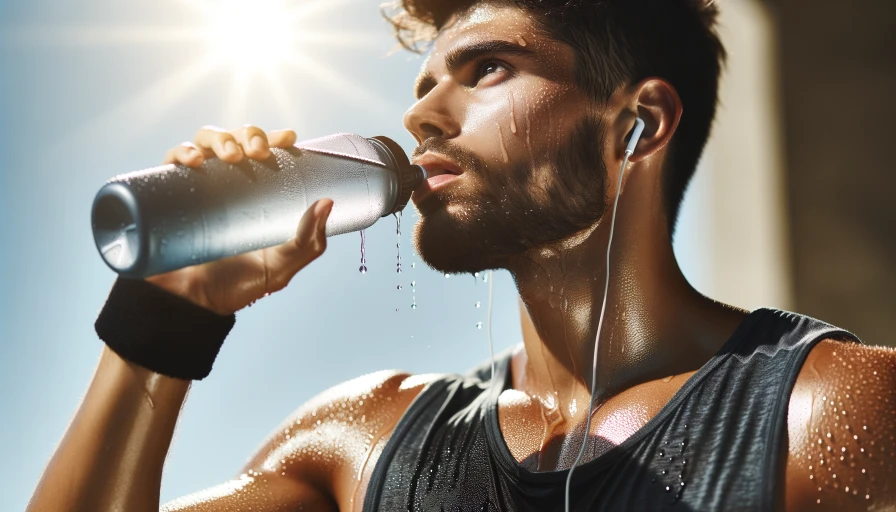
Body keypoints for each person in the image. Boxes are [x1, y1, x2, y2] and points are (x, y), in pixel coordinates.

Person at [28, 0, 896, 510]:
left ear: (637, 124)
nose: (421, 118)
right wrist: (168, 313)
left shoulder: (828, 409)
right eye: (424, 84)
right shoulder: (359, 440)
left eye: (486, 70)